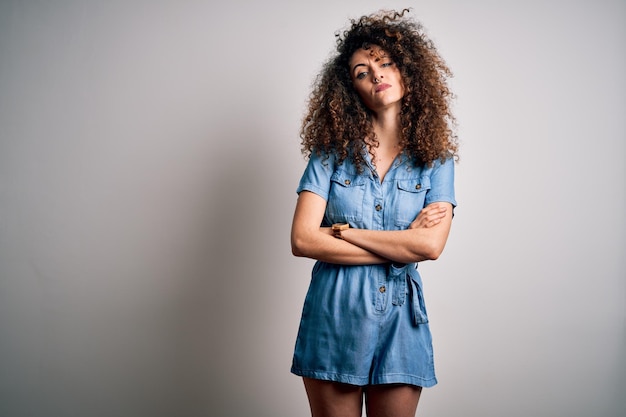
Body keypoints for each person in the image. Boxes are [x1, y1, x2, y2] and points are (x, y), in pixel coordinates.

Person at [290, 9, 459, 417]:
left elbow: (431, 246)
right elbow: (302, 240)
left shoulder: (436, 160)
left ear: (408, 72)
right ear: (352, 89)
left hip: (402, 320)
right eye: (361, 71)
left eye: (384, 63)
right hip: (334, 315)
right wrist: (402, 246)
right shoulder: (329, 153)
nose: (375, 74)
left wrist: (344, 233)